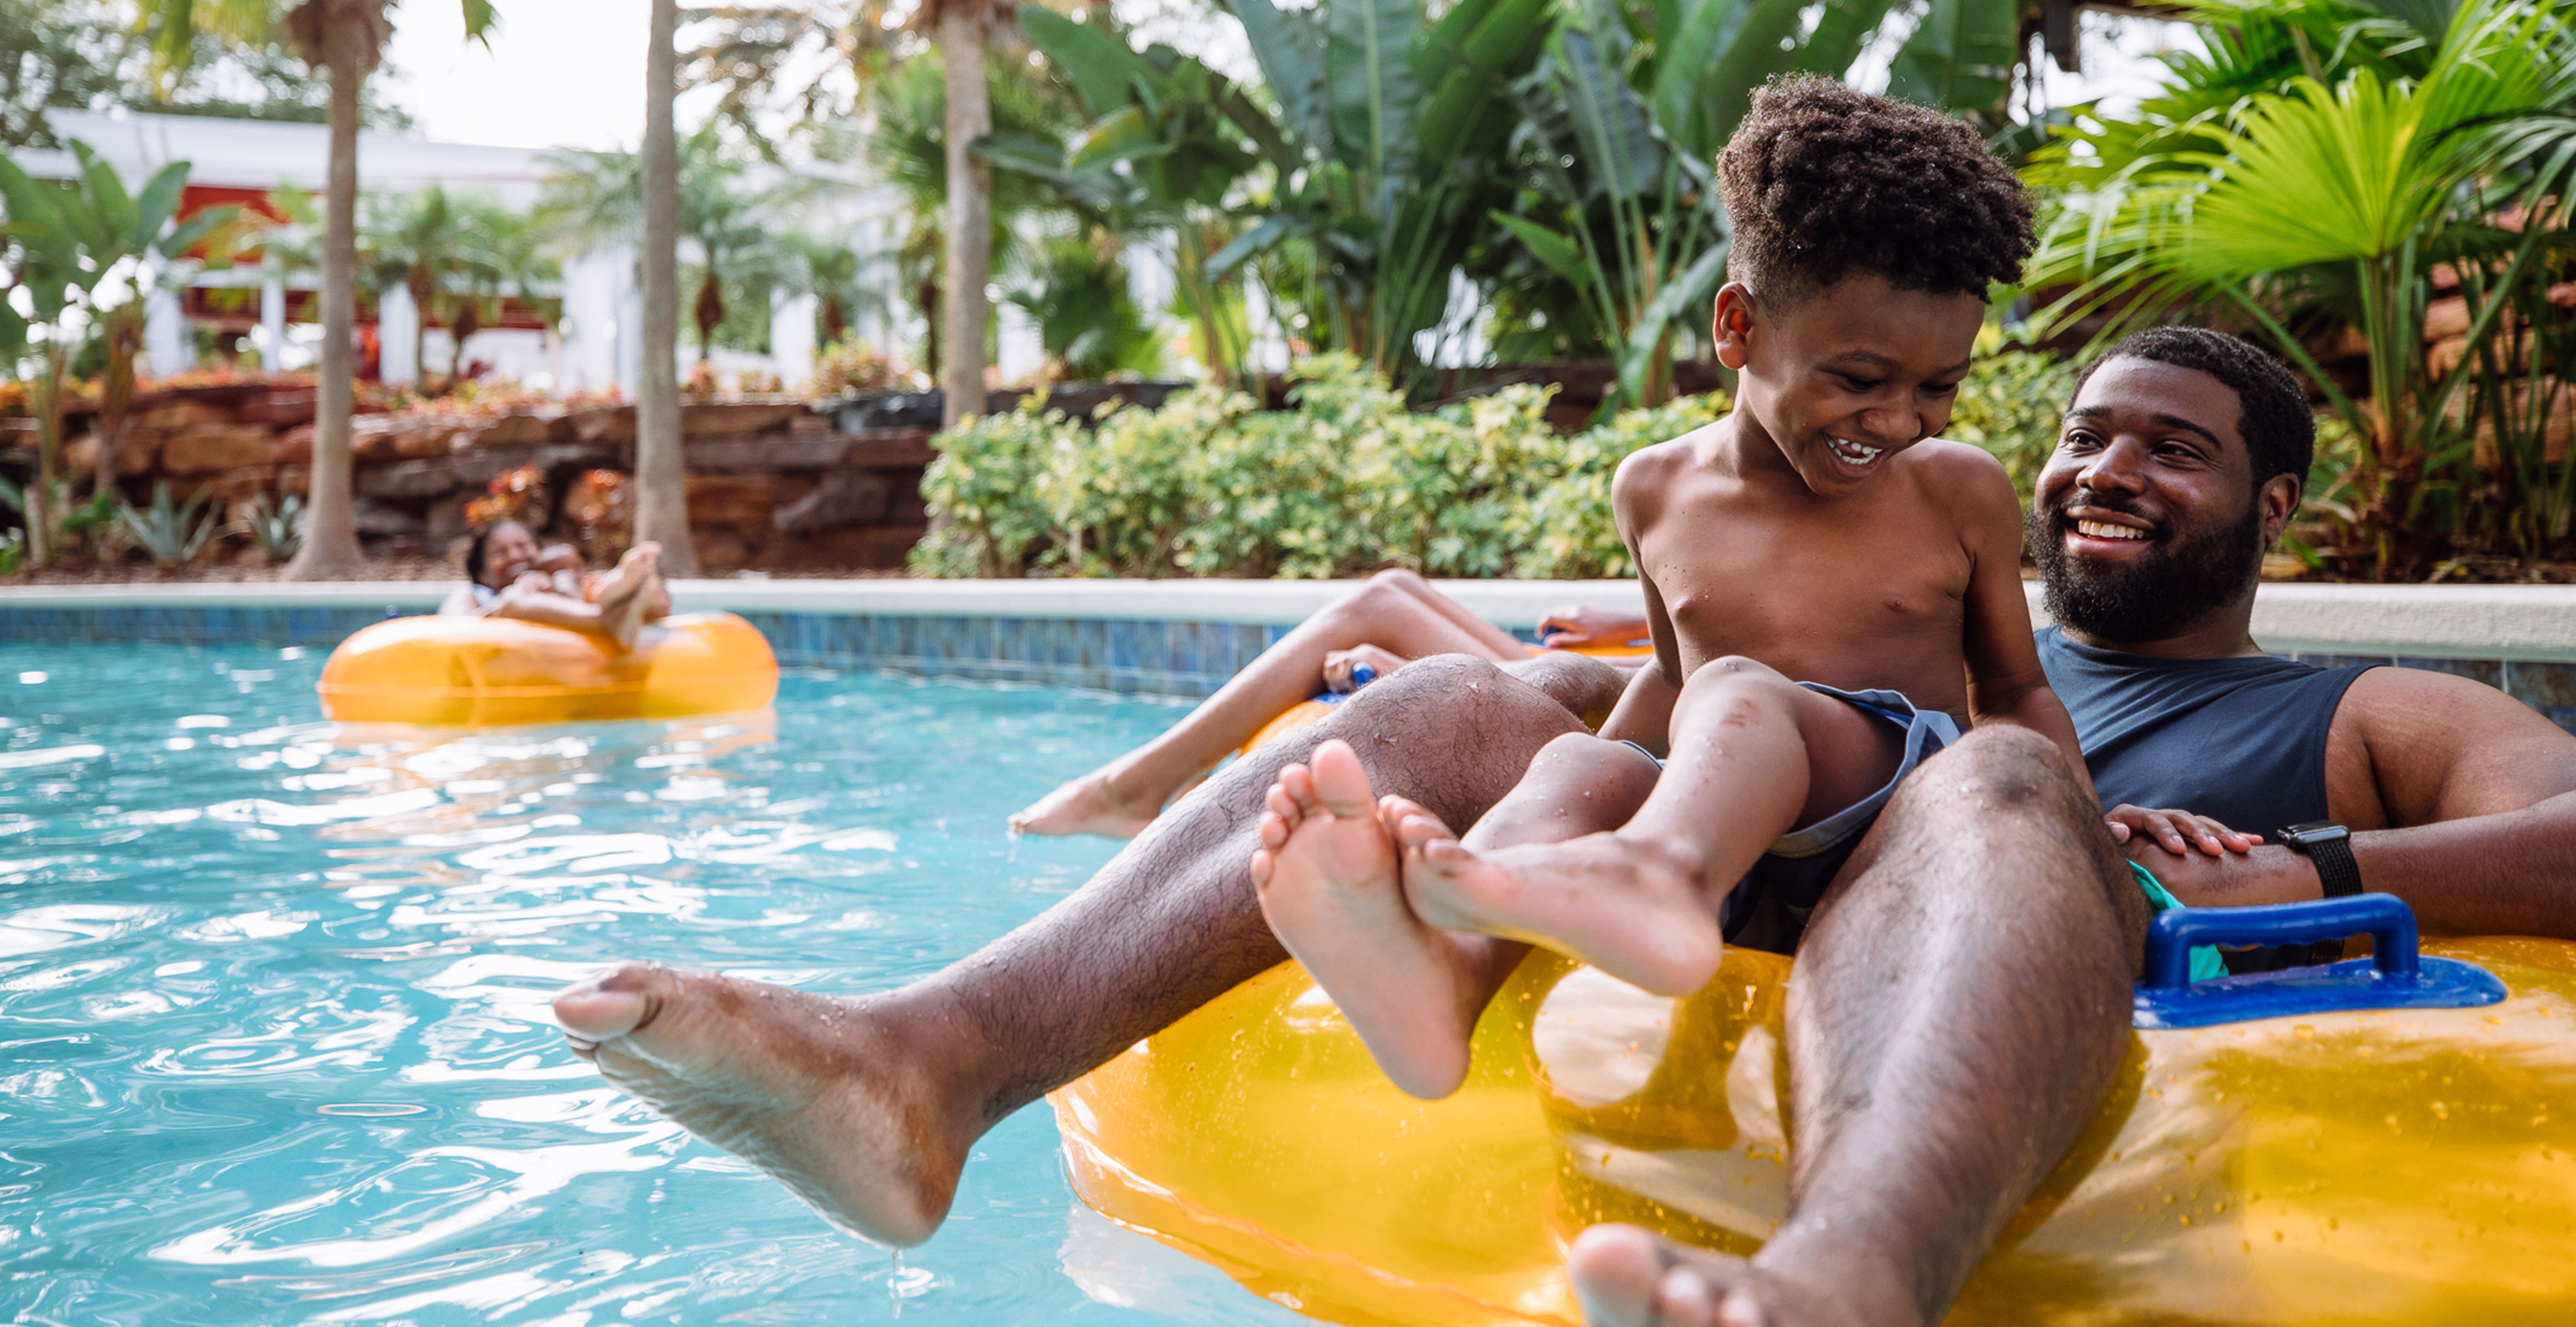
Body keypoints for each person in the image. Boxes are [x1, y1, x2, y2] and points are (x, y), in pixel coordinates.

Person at [546, 321, 2576, 1327]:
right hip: (1758, 915)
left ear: (2273, 516)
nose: (2103, 471)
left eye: (2174, 451)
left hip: (2026, 948)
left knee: (2002, 777)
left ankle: (1833, 1289)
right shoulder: (1928, 618)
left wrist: (2302, 867)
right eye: (2084, 435)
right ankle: (926, 1067)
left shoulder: (2350, 712)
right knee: (1449, 694)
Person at [1252, 79, 2082, 1095]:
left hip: (1910, 826)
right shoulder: (1652, 490)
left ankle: (1658, 879)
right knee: (1574, 764)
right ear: (1738, 328)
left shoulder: (1958, 491)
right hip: (1741, 853)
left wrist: (2079, 825)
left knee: (1740, 694)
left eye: (1938, 386)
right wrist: (1574, 788)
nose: (1902, 421)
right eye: (1861, 380)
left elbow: (2017, 690)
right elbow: (1674, 682)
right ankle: (1447, 975)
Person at [1009, 568, 1651, 838]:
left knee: (1378, 606)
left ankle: (1132, 788)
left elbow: (1719, 677)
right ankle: (1132, 788)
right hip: (1628, 665)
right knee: (1393, 585)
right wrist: (1630, 618)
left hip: (1624, 702)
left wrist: (1441, 678)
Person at [446, 519, 669, 643]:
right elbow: (450, 630)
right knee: (513, 602)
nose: (515, 556)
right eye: (500, 553)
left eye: (523, 546)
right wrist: (516, 595)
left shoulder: (554, 580)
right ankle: (607, 620)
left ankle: (625, 591)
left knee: (588, 584)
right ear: (483, 574)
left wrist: (564, 588)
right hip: (504, 638)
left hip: (570, 643)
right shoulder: (474, 595)